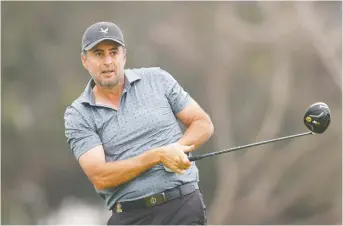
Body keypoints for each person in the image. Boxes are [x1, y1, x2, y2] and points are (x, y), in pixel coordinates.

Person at [64, 21, 214, 225]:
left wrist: (176, 150)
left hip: (182, 206)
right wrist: (157, 156)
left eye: (113, 52)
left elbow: (202, 123)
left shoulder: (157, 79)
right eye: (98, 54)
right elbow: (101, 176)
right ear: (85, 60)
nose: (107, 61)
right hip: (131, 216)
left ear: (123, 55)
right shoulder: (79, 114)